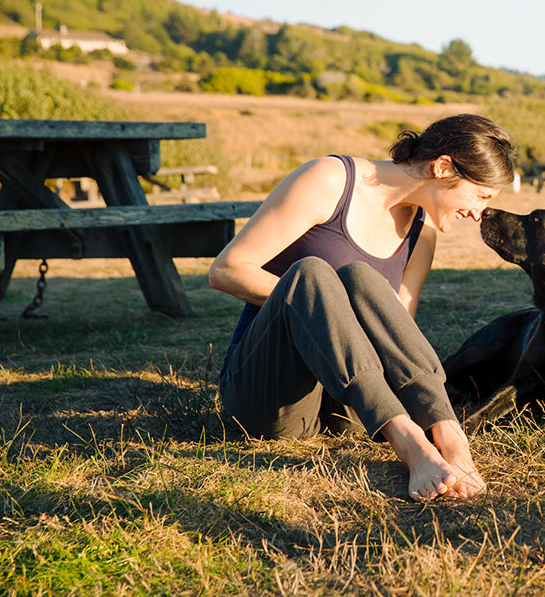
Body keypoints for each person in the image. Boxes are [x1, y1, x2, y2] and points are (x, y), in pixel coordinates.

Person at [209, 113, 517, 500]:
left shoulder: (423, 232)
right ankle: (409, 443)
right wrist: (320, 305)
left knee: (360, 278)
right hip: (273, 399)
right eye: (481, 195)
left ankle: (449, 435)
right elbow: (227, 270)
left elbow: (399, 331)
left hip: (354, 410)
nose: (479, 213)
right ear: (442, 168)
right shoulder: (328, 181)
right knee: (315, 276)